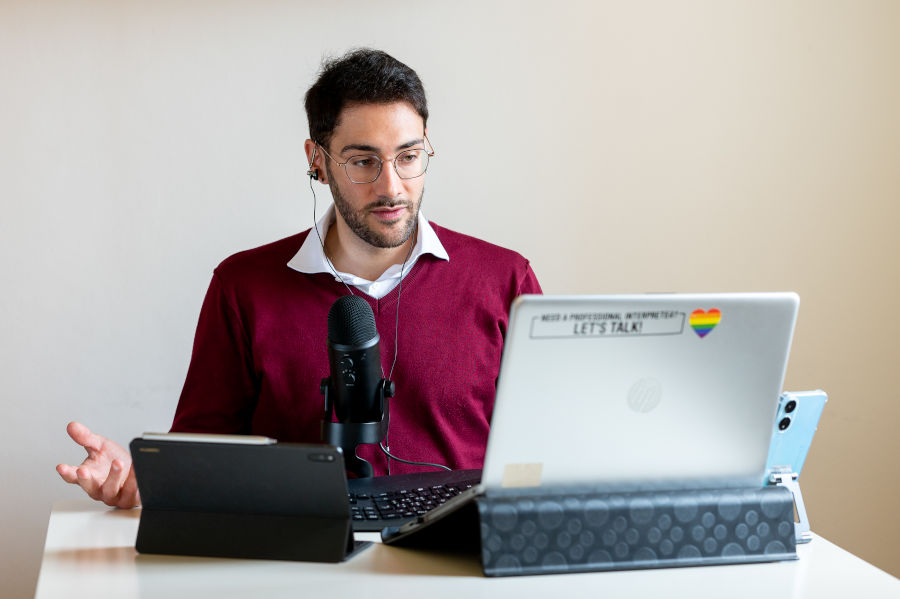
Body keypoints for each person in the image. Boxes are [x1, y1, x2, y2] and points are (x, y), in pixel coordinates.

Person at [57, 48, 541, 508]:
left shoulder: (505, 279)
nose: (391, 186)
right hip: (297, 567)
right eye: (363, 161)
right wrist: (143, 480)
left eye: (409, 156)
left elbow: (550, 445)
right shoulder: (242, 287)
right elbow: (202, 453)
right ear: (318, 161)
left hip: (457, 570)